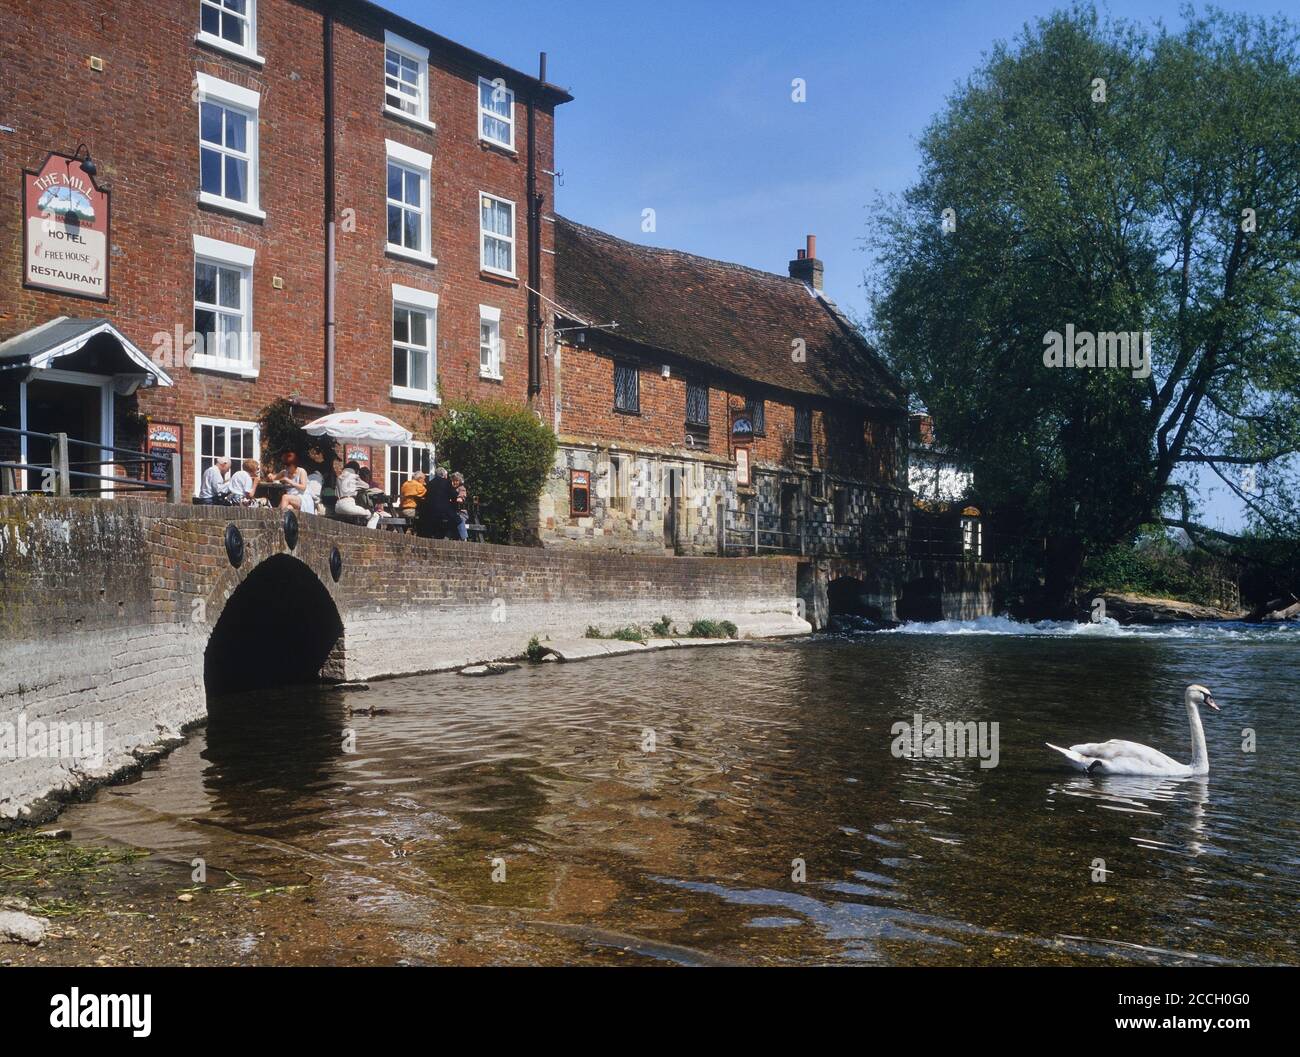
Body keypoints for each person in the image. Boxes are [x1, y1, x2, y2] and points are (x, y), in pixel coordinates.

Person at [334, 460, 381, 528]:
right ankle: (368, 536)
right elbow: (366, 486)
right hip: (348, 506)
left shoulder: (339, 478)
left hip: (337, 506)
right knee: (374, 515)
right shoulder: (355, 477)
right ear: (356, 470)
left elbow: (336, 494)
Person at [417, 467, 454, 538]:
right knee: (457, 520)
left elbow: (425, 495)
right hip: (443, 511)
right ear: (444, 475)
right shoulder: (447, 482)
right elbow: (453, 495)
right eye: (446, 475)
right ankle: (457, 538)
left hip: (429, 511)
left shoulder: (430, 483)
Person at [450, 471, 469, 541]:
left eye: (456, 480)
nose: (455, 482)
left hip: (461, 512)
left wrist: (459, 498)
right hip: (452, 512)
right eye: (453, 480)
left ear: (460, 481)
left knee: (459, 520)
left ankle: (464, 538)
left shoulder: (461, 488)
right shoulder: (451, 489)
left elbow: (461, 497)